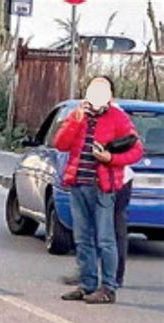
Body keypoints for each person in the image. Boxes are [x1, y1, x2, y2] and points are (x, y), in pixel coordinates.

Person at [54, 76, 143, 304]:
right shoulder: (78, 115)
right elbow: (61, 144)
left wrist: (110, 158)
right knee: (82, 238)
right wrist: (76, 119)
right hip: (77, 183)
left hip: (102, 186)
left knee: (105, 238)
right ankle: (87, 284)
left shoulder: (118, 118)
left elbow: (136, 150)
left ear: (110, 97)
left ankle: (108, 288)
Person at [61, 165, 134, 287]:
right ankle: (86, 274)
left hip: (116, 179)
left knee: (113, 229)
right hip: (91, 181)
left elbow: (130, 150)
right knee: (86, 231)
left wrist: (110, 159)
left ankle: (115, 277)